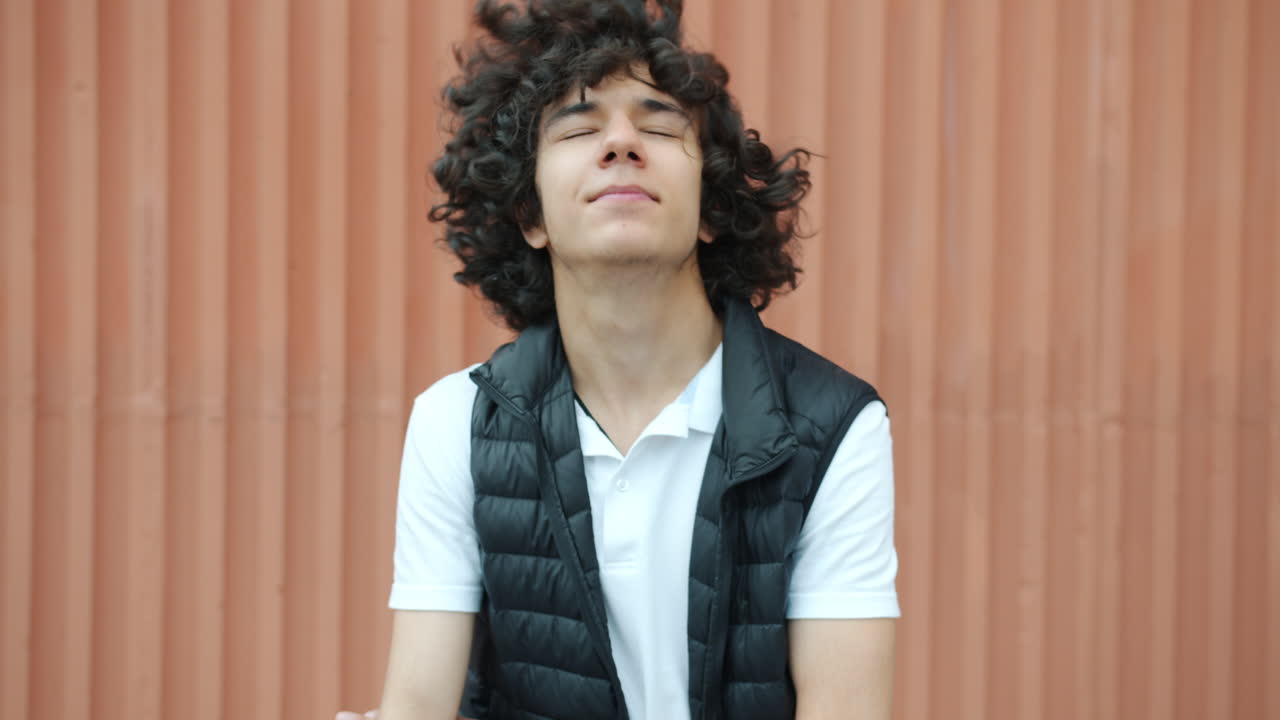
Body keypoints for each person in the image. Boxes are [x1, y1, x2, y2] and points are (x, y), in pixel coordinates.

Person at [339, 1, 898, 718]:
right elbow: (418, 702)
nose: (622, 142)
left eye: (660, 123)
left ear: (707, 207)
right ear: (530, 216)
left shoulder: (833, 427)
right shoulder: (454, 424)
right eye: (578, 126)